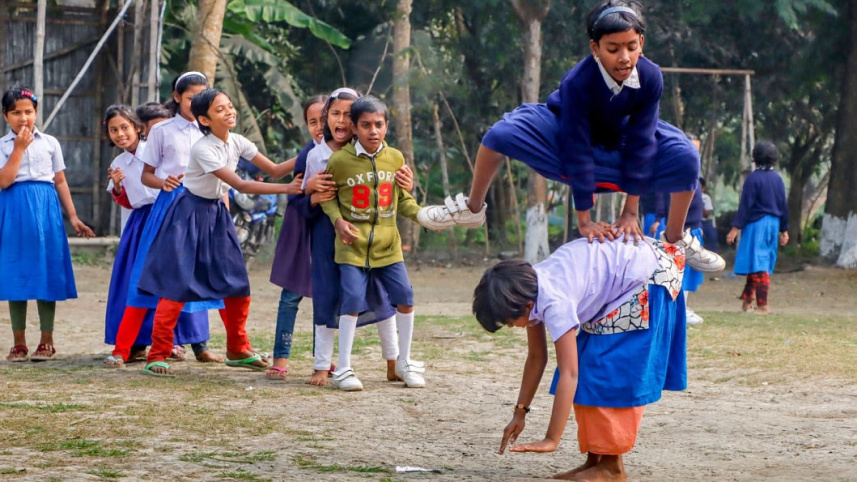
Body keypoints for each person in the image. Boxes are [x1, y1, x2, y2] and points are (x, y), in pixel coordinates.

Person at [417, 0, 725, 274]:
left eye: (631, 46)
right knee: (500, 133)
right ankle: (472, 209)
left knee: (687, 157)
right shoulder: (579, 81)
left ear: (641, 43)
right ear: (595, 48)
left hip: (623, 138)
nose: (624, 58)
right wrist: (584, 219)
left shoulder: (651, 76)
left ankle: (674, 238)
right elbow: (576, 148)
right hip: (569, 133)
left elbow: (642, 140)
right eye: (613, 48)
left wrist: (630, 211)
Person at [473, 237, 687, 480]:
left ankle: (611, 468)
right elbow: (536, 358)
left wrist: (551, 439)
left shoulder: (554, 300)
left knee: (605, 373)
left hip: (648, 278)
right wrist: (519, 412)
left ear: (526, 306)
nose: (511, 327)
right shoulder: (529, 289)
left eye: (510, 322)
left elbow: (569, 374)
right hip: (630, 279)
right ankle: (596, 459)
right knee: (589, 370)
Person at [136, 89, 303, 377]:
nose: (230, 112)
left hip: (217, 215)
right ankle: (158, 353)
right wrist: (288, 189)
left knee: (238, 284)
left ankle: (237, 349)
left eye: (229, 106)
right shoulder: (204, 148)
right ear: (204, 119)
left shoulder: (237, 141)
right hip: (188, 215)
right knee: (177, 286)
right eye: (220, 109)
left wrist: (314, 150)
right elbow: (242, 186)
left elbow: (275, 169)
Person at [300, 88, 414, 387]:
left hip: (377, 239)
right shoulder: (319, 154)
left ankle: (396, 362)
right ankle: (325, 365)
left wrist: (410, 190)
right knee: (330, 297)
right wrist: (311, 193)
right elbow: (301, 195)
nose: (342, 121)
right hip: (332, 237)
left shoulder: (385, 154)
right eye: (334, 114)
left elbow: (398, 193)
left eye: (347, 115)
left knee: (387, 299)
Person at [120, 72, 222, 364]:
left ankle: (205, 345)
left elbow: (222, 174)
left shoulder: (212, 131)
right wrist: (163, 182)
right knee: (163, 272)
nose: (198, 104)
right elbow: (146, 175)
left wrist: (224, 202)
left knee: (201, 273)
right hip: (171, 208)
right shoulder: (162, 130)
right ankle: (147, 346)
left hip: (205, 207)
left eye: (204, 98)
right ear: (177, 97)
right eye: (192, 98)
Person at [0, 86, 95, 362]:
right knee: (16, 274)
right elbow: (4, 181)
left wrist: (74, 217)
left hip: (46, 209)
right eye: (16, 112)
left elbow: (60, 180)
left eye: (28, 112)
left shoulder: (50, 142)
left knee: (45, 272)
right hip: (14, 207)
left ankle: (47, 341)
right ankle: (18, 343)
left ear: (36, 112)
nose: (23, 118)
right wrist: (19, 148)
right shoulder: (3, 146)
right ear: (6, 116)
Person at [266, 95, 325, 381]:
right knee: (291, 294)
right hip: (302, 227)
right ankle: (280, 357)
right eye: (313, 122)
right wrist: (306, 186)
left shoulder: (350, 152)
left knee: (325, 296)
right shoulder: (307, 155)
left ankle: (322, 360)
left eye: (324, 120)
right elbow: (292, 190)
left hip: (330, 230)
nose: (320, 127)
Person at [100, 105, 159, 367]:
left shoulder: (155, 151)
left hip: (163, 216)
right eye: (113, 130)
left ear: (137, 127)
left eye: (124, 127)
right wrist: (117, 185)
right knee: (131, 281)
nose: (120, 134)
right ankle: (133, 342)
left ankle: (172, 341)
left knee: (164, 280)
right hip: (138, 223)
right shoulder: (118, 163)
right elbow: (125, 201)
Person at [727, 141, 789, 314]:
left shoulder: (753, 179)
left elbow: (745, 206)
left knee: (759, 264)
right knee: (760, 262)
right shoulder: (778, 179)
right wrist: (784, 229)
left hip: (757, 225)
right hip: (774, 224)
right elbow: (783, 204)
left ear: (755, 157)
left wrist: (735, 228)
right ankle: (747, 302)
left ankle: (763, 305)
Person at [699, 177, 719, 252]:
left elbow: (706, 214)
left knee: (712, 241)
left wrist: (699, 203)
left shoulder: (705, 198)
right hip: (697, 222)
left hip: (707, 223)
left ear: (703, 188)